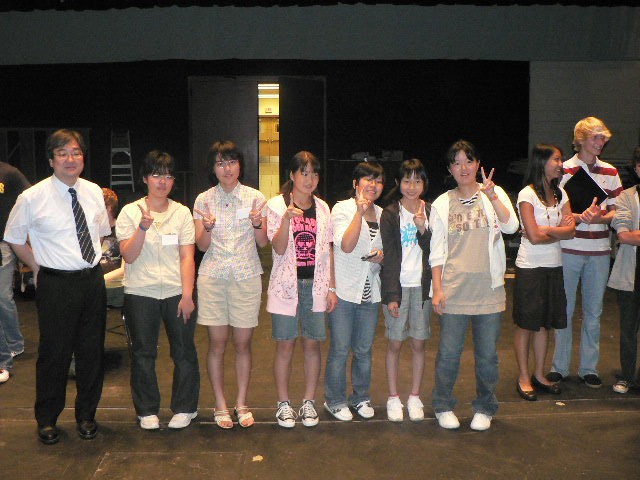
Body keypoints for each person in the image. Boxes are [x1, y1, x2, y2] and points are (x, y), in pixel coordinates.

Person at [4, 129, 111, 445]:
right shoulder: (32, 197)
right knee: (55, 354)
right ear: (51, 160)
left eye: (76, 152)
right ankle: (47, 419)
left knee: (92, 353)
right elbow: (14, 238)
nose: (70, 159)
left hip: (91, 280)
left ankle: (86, 415)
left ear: (83, 157)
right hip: (56, 283)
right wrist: (38, 266)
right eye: (62, 153)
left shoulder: (93, 191)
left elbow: (100, 233)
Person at [430, 140, 518, 431]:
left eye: (469, 161)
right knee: (448, 355)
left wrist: (492, 197)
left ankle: (485, 406)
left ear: (478, 164)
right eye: (456, 162)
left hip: (488, 290)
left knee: (487, 357)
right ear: (449, 169)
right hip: (453, 290)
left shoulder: (494, 193)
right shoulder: (442, 204)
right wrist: (438, 289)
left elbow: (512, 227)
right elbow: (436, 251)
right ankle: (443, 405)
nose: (464, 167)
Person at [116, 150, 199, 431]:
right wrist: (142, 227)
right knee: (143, 353)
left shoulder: (182, 212)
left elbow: (187, 256)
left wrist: (187, 295)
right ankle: (147, 409)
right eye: (156, 175)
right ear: (144, 178)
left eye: (168, 176)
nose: (162, 182)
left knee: (184, 352)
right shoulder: (130, 212)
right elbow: (128, 256)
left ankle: (185, 407)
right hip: (141, 292)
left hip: (177, 291)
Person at [193, 141, 267, 429]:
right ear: (213, 168)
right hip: (213, 277)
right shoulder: (203, 200)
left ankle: (242, 403)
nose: (227, 168)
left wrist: (258, 224)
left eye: (232, 162)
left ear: (240, 165)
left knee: (243, 343)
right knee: (217, 343)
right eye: (221, 163)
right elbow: (201, 245)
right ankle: (221, 404)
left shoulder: (255, 198)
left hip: (246, 277)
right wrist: (207, 227)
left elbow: (263, 243)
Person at [547, 117, 623, 388]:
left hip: (599, 250)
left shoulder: (611, 172)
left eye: (603, 138)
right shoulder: (563, 169)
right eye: (596, 137)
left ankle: (589, 367)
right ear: (580, 139)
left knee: (594, 312)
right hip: (568, 248)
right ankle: (559, 366)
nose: (601, 142)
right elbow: (554, 211)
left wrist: (600, 218)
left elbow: (618, 211)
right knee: (564, 311)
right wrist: (579, 217)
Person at [266, 151, 337, 428]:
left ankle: (308, 402)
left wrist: (331, 287)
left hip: (315, 285)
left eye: (314, 174)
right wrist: (286, 219)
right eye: (304, 173)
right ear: (292, 175)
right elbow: (278, 247)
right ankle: (283, 403)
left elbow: (328, 250)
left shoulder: (322, 208)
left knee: (312, 344)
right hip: (286, 286)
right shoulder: (276, 205)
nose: (309, 180)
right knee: (285, 345)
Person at [513, 144, 575, 401]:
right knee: (526, 324)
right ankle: (523, 376)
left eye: (561, 159)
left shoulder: (560, 192)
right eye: (556, 160)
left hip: (553, 265)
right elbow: (534, 237)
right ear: (542, 162)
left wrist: (547, 230)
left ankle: (539, 374)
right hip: (530, 267)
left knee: (544, 324)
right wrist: (557, 231)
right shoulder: (527, 194)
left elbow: (570, 231)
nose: (561, 164)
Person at [324, 161, 385, 421]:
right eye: (368, 179)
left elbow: (387, 252)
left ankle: (360, 397)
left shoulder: (382, 214)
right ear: (355, 184)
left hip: (371, 293)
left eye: (378, 180)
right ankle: (335, 400)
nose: (373, 185)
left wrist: (381, 256)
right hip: (345, 291)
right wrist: (359, 213)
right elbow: (346, 246)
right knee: (340, 349)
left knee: (363, 350)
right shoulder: (342, 208)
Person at [380, 159, 432, 422]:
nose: (412, 187)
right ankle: (393, 397)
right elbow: (388, 256)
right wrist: (391, 295)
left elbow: (435, 251)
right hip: (398, 287)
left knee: (419, 343)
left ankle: (414, 396)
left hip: (422, 288)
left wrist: (423, 229)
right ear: (398, 183)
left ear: (424, 183)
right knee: (394, 343)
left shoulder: (430, 210)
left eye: (417, 181)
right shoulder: (390, 214)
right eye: (407, 181)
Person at [607, 148, 640, 394]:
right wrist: (630, 234)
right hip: (632, 272)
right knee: (628, 328)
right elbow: (625, 236)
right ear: (637, 167)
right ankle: (627, 376)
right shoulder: (626, 197)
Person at [0, 159, 30, 384]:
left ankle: (14, 344)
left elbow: (30, 196)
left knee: (2, 296)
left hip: (4, 241)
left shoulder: (8, 172)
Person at [101, 187, 125, 308]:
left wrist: (99, 280)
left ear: (108, 208)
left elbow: (125, 269)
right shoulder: (92, 231)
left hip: (115, 288)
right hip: (97, 286)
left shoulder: (123, 229)